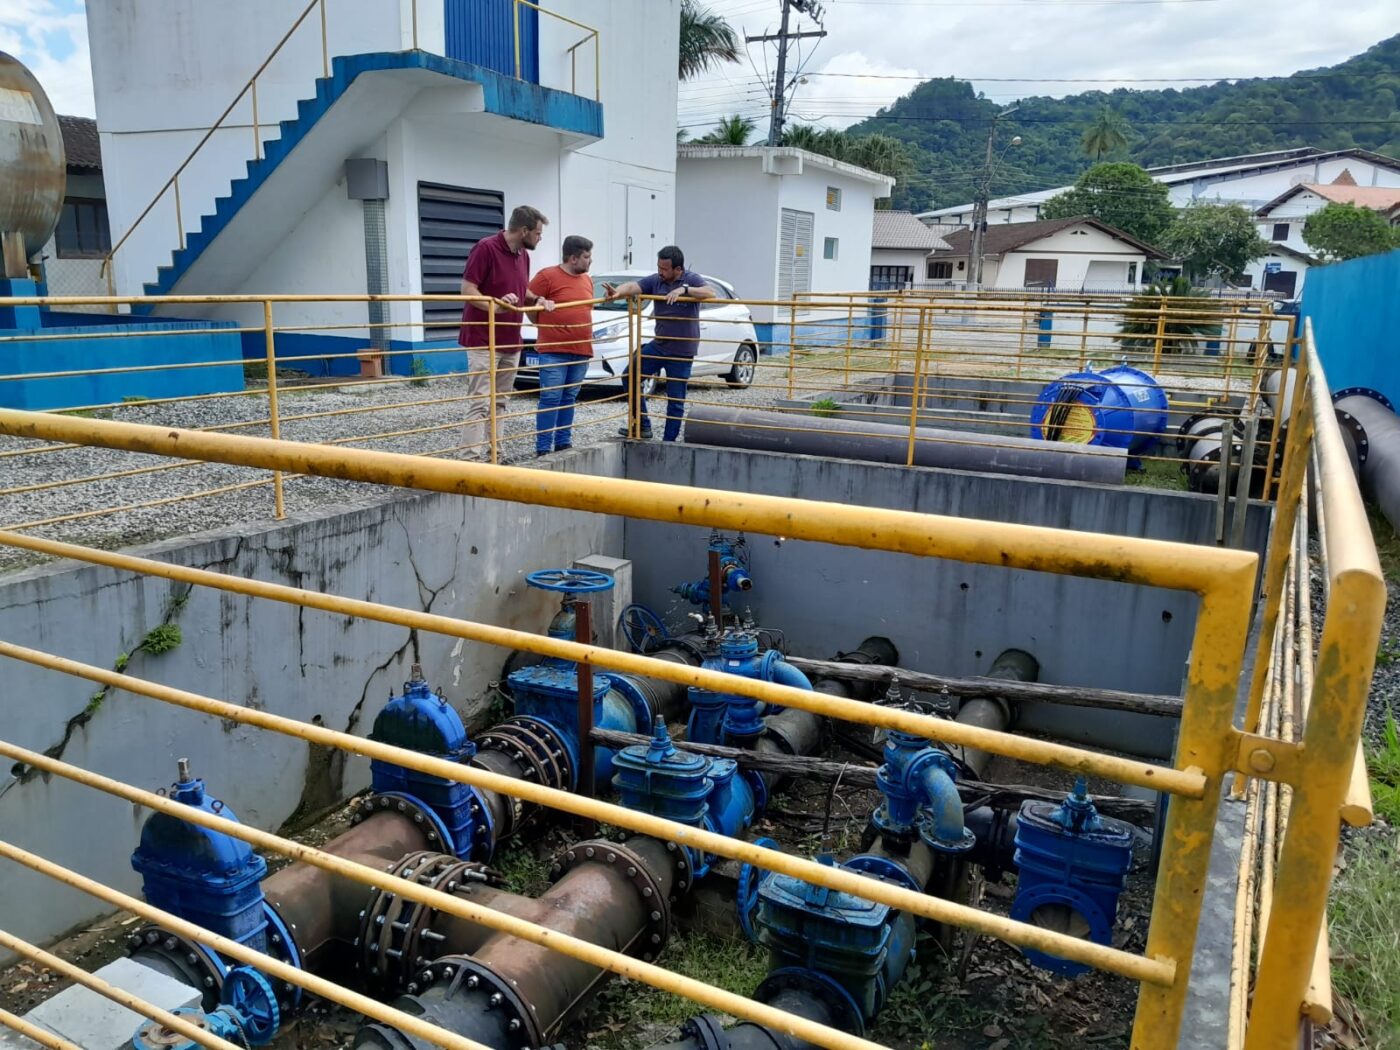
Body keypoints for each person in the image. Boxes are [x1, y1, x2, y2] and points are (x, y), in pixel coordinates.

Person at [459, 205, 554, 461]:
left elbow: (523, 290)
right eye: (537, 233)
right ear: (524, 230)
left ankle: (496, 456)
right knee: (480, 402)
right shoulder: (485, 248)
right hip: (483, 340)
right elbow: (468, 291)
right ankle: (470, 459)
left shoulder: (523, 254)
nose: (539, 237)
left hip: (512, 340)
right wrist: (497, 304)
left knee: (500, 402)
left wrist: (539, 299)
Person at [605, 245, 715, 442]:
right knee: (630, 376)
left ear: (678, 270)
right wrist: (618, 292)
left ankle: (668, 443)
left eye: (664, 269)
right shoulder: (656, 280)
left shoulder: (690, 279)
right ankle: (642, 424)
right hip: (659, 345)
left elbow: (710, 292)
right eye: (659, 267)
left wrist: (685, 290)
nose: (660, 272)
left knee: (675, 400)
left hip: (682, 351)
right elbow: (633, 287)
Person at [527, 235, 596, 457]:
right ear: (573, 258)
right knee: (550, 397)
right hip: (554, 351)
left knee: (569, 397)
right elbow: (528, 301)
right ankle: (544, 447)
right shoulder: (547, 276)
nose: (590, 261)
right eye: (587, 257)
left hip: (580, 350)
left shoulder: (587, 280)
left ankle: (563, 442)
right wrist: (541, 324)